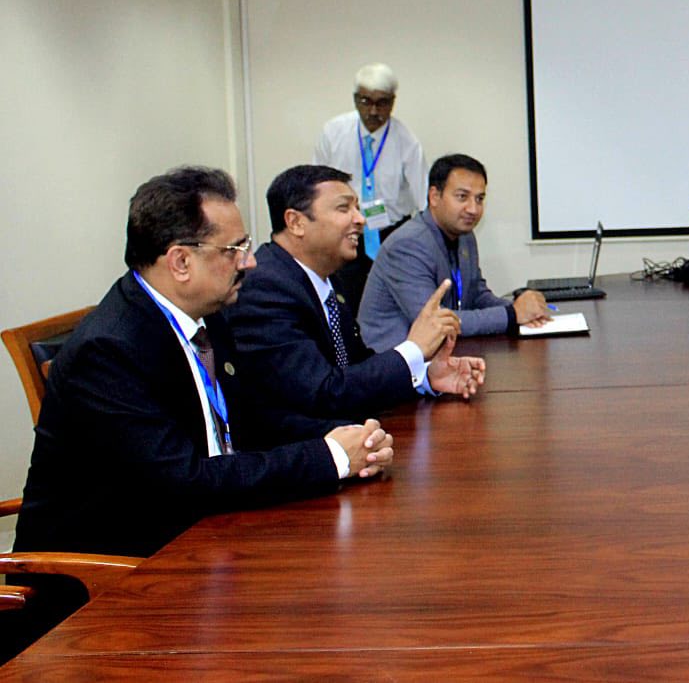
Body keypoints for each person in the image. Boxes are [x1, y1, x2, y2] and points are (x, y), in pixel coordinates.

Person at [14, 167, 396, 559]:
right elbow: (185, 481)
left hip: (206, 533)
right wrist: (329, 458)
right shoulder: (108, 352)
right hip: (119, 567)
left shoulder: (205, 316)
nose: (250, 262)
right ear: (180, 262)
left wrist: (348, 437)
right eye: (234, 250)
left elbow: (250, 418)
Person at [227, 165, 486, 418]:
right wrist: (414, 349)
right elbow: (324, 393)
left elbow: (356, 371)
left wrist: (426, 376)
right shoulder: (265, 288)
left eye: (358, 209)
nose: (361, 220)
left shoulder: (328, 280)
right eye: (344, 208)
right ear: (295, 222)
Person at [359, 154, 551, 350]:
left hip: (442, 352)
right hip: (393, 359)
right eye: (462, 197)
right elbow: (434, 321)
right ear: (434, 196)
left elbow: (477, 294)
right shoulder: (407, 244)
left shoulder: (465, 236)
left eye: (479, 199)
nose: (473, 209)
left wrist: (522, 310)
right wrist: (511, 314)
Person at [312, 63, 427, 314]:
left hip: (391, 234)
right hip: (343, 232)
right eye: (366, 101)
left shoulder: (407, 141)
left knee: (391, 305)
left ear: (393, 102)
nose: (373, 111)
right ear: (355, 99)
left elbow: (424, 202)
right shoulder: (333, 132)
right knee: (345, 302)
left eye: (382, 102)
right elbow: (315, 187)